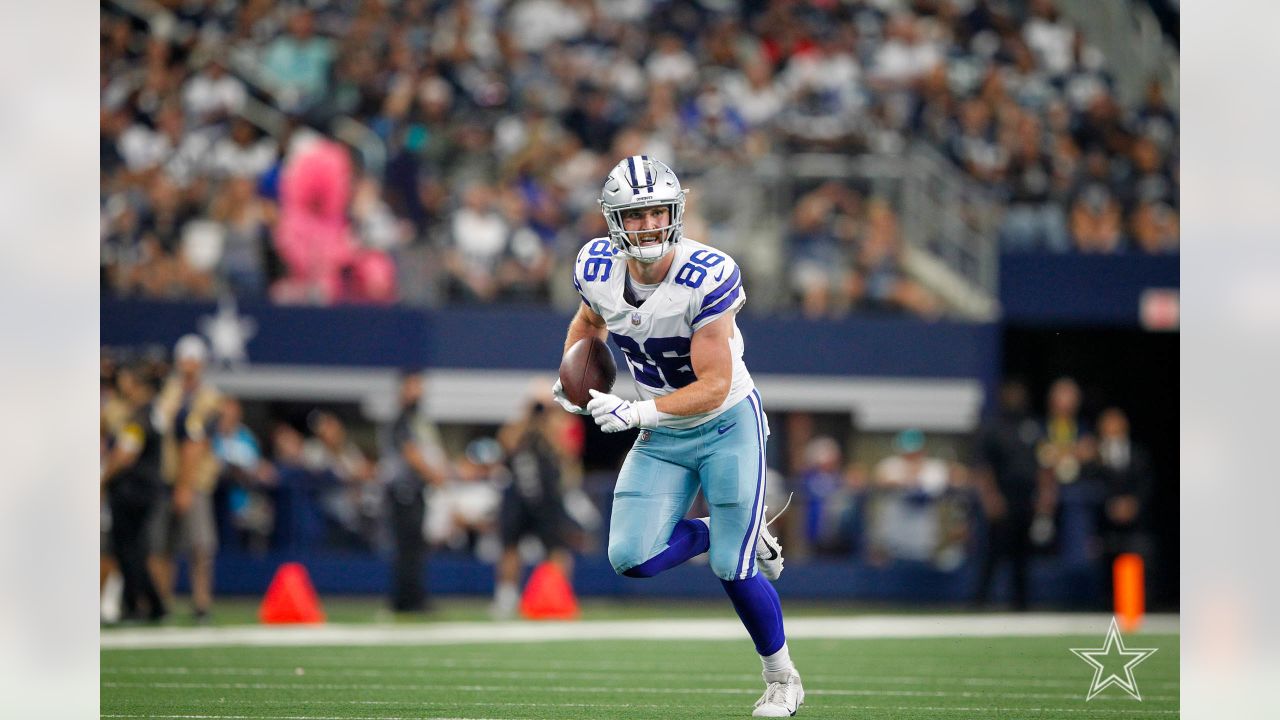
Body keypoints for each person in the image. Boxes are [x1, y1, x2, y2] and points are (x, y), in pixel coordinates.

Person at [551, 156, 802, 717]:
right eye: (635, 215)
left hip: (726, 422)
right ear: (615, 220)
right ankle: (728, 530)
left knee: (731, 569)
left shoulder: (707, 274)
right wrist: (574, 376)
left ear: (676, 212)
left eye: (657, 212)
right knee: (631, 559)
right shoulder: (596, 266)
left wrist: (637, 414)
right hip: (666, 431)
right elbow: (590, 323)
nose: (647, 226)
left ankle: (781, 677)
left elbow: (713, 385)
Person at [149, 334, 223, 622]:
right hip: (166, 475)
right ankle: (160, 602)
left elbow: (198, 441)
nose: (189, 365)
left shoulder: (210, 397)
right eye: (185, 359)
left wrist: (185, 485)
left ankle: (201, 603)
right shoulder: (168, 393)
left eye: (194, 359)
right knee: (162, 545)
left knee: (200, 546)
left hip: (196, 482)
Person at [491, 386, 576, 619]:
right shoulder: (518, 429)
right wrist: (528, 418)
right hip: (518, 498)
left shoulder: (554, 428)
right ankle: (506, 598)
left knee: (556, 549)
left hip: (547, 500)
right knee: (510, 548)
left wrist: (548, 423)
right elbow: (505, 443)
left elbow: (568, 452)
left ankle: (558, 595)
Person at [100, 361, 168, 622]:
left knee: (128, 549)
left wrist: (102, 480)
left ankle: (140, 604)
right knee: (133, 549)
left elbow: (124, 455)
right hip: (145, 489)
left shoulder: (140, 415)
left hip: (132, 490)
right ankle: (150, 603)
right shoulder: (152, 413)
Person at [973, 380, 1047, 610]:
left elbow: (1045, 464)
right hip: (1003, 497)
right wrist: (991, 497)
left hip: (1026, 498)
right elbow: (984, 467)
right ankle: (981, 601)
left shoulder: (1033, 426)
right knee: (994, 552)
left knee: (1023, 554)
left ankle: (1021, 604)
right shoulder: (993, 427)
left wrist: (1044, 497)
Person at [378, 371, 448, 612]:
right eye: (413, 387)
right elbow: (411, 453)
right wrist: (433, 474)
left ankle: (413, 596)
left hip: (415, 490)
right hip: (403, 490)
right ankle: (406, 599)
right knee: (407, 547)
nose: (418, 392)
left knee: (414, 547)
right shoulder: (402, 420)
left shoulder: (417, 419)